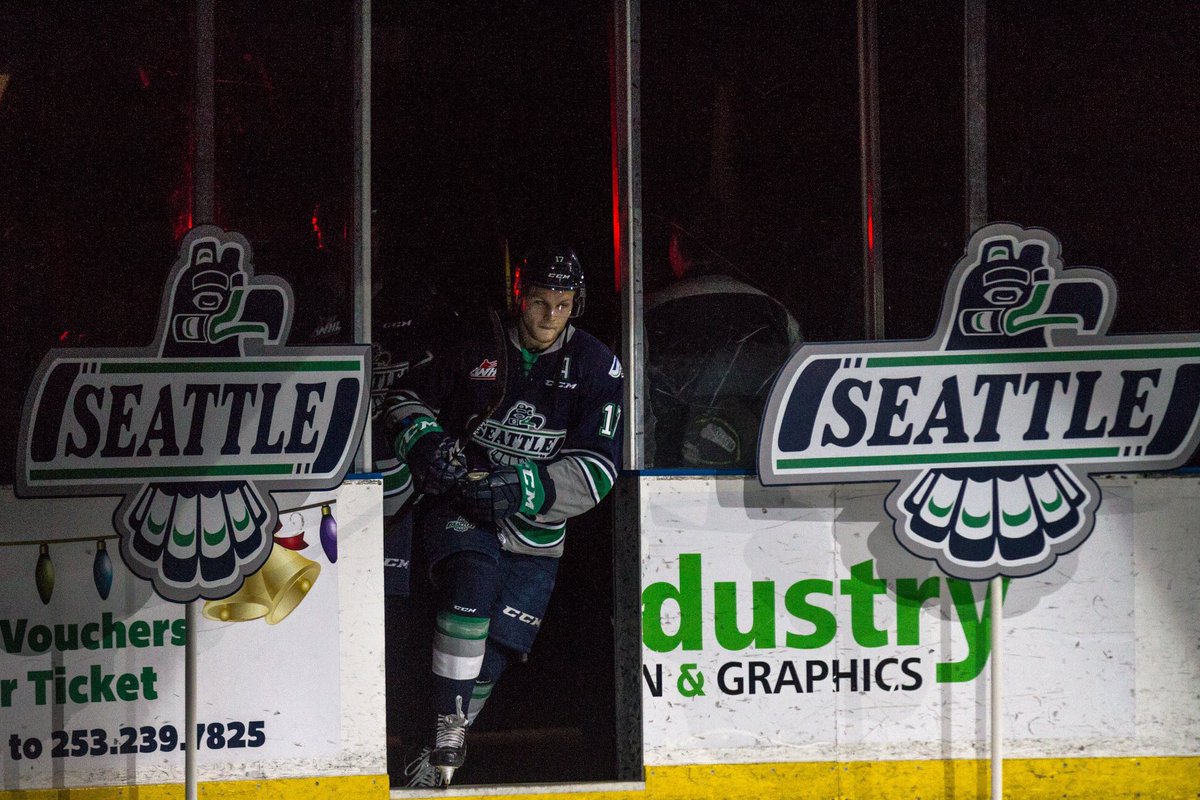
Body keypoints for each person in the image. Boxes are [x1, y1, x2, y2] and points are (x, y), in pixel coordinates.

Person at [382, 245, 624, 787]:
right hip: (462, 506)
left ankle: (435, 753)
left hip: (537, 527)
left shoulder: (596, 364)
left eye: (563, 305)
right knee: (473, 576)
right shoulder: (476, 342)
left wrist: (524, 487)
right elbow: (402, 401)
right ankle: (448, 728)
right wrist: (429, 446)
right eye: (540, 302)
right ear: (520, 296)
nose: (549, 317)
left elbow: (600, 468)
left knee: (496, 655)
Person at [645, 220, 801, 468]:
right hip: (758, 478)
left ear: (674, 247)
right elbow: (800, 404)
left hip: (667, 476)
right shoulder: (776, 314)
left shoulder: (646, 314)